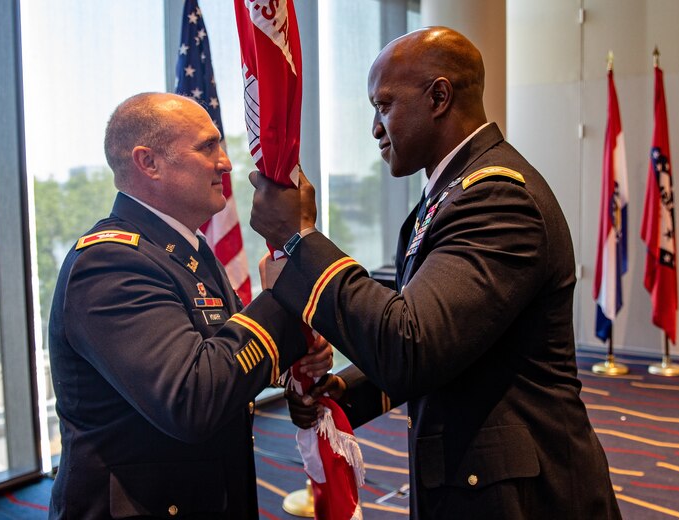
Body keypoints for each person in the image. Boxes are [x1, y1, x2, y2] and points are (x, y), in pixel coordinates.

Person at [249, 27, 622, 519]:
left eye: (383, 106)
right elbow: (447, 342)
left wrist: (300, 240)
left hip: (524, 498)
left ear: (439, 96)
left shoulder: (497, 197)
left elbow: (412, 345)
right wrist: (346, 391)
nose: (375, 129)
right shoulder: (450, 195)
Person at [47, 92, 332, 519]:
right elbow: (190, 399)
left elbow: (217, 358)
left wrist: (289, 361)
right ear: (149, 163)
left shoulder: (188, 251)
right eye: (207, 146)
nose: (227, 163)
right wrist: (280, 299)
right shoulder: (111, 263)